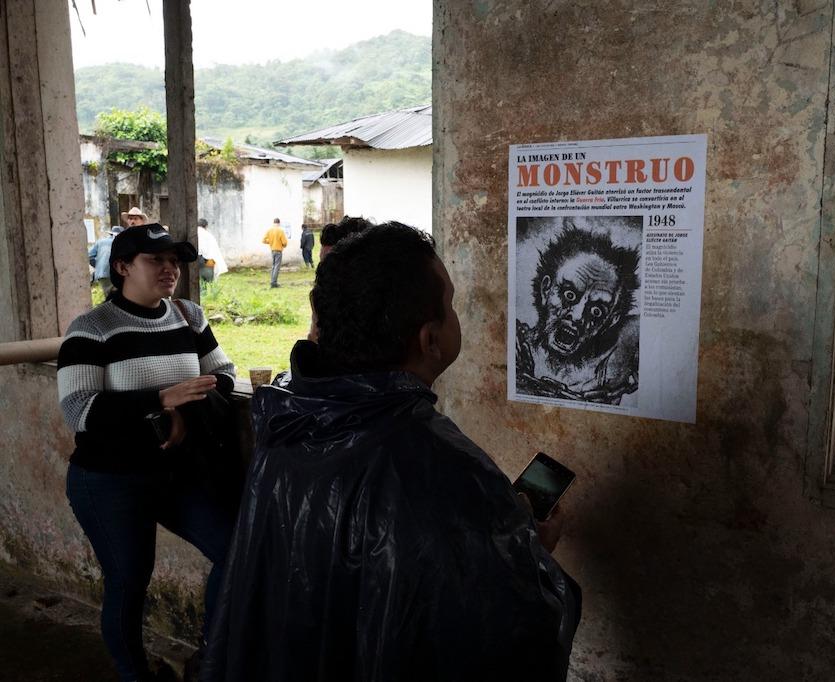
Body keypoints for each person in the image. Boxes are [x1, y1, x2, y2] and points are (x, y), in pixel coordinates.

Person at [203, 222, 580, 682]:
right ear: (430, 339)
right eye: (452, 306)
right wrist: (530, 554)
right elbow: (508, 640)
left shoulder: (289, 418)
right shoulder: (445, 469)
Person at [58, 224, 237, 682]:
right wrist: (160, 403)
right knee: (129, 583)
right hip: (108, 480)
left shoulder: (188, 316)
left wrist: (187, 408)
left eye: (174, 261)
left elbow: (223, 373)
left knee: (237, 551)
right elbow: (80, 411)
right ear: (122, 267)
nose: (170, 269)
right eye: (156, 260)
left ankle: (209, 655)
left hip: (175, 476)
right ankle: (134, 674)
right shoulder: (93, 329)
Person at [88, 225, 124, 296]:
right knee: (115, 297)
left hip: (101, 274)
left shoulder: (100, 242)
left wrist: (98, 266)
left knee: (108, 295)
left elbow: (89, 256)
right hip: (113, 273)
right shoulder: (119, 243)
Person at [197, 218, 228, 284]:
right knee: (205, 286)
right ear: (206, 226)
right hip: (208, 264)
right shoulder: (209, 236)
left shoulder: (193, 234)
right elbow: (215, 253)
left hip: (196, 263)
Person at [262, 218, 287, 288]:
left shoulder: (269, 230)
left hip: (272, 250)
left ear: (273, 223)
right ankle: (274, 283)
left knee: (273, 266)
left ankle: (272, 281)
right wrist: (283, 245)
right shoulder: (280, 231)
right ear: (279, 223)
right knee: (277, 267)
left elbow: (263, 240)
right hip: (278, 250)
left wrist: (270, 242)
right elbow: (284, 242)